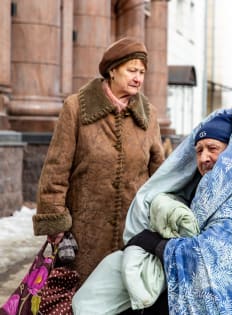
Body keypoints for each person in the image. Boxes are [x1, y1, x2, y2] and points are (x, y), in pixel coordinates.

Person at [72, 109, 232, 315]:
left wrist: (154, 244)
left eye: (213, 148)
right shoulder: (208, 190)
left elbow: (215, 257)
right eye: (199, 150)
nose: (204, 158)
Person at [32, 37, 165, 285]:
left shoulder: (149, 115)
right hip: (83, 236)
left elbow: (159, 174)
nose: (138, 78)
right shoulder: (76, 108)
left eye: (142, 72)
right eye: (132, 70)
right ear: (112, 71)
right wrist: (58, 229)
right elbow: (55, 171)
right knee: (80, 302)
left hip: (132, 235)